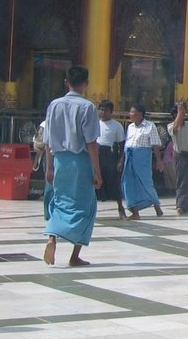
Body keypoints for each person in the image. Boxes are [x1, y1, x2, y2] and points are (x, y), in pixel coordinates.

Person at [42, 65, 102, 267]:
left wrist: (49, 167)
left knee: (60, 201)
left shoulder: (54, 105)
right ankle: (74, 255)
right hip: (80, 161)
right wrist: (97, 171)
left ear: (66, 83)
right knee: (86, 207)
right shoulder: (87, 107)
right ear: (86, 83)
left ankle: (52, 237)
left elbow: (48, 139)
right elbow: (91, 142)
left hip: (59, 160)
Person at [121, 102, 165, 220]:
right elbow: (126, 144)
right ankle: (135, 211)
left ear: (140, 114)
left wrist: (159, 160)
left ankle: (157, 206)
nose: (130, 114)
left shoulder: (150, 126)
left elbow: (155, 145)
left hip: (143, 157)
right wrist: (122, 160)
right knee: (129, 183)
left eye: (132, 112)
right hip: (130, 156)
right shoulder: (130, 127)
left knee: (146, 182)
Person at [96, 100, 127, 219]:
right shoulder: (95, 124)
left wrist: (120, 160)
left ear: (111, 112)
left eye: (106, 111)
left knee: (114, 182)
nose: (103, 113)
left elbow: (121, 145)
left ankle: (120, 208)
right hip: (96, 154)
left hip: (109, 155)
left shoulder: (116, 125)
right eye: (101, 110)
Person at [168, 101, 188, 215]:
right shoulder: (171, 126)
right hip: (179, 155)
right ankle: (182, 204)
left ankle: (182, 204)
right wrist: (180, 112)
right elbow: (175, 129)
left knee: (186, 180)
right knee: (181, 180)